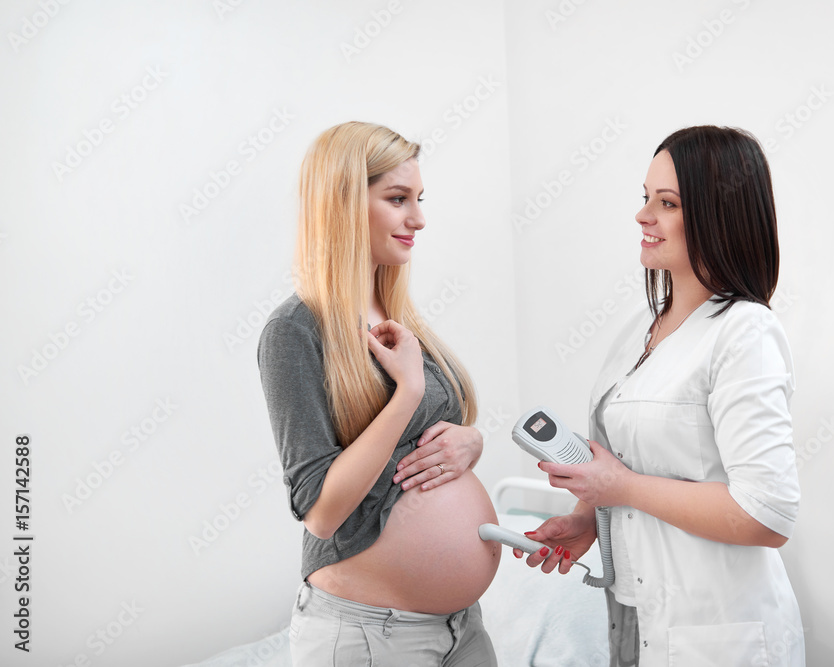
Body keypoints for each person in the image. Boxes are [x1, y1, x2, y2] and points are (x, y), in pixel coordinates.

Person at [517, 126, 805, 666]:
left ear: (718, 214)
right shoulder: (641, 328)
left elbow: (767, 513)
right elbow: (633, 464)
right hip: (634, 616)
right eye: (646, 197)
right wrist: (587, 518)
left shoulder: (745, 332)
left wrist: (621, 488)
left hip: (714, 633)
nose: (642, 215)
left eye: (667, 203)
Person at [257, 121, 500, 666]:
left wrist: (470, 442)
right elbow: (320, 511)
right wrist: (407, 392)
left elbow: (425, 441)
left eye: (418, 199)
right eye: (397, 199)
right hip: (370, 634)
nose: (418, 218)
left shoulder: (395, 314)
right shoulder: (295, 331)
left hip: (461, 626)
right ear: (344, 202)